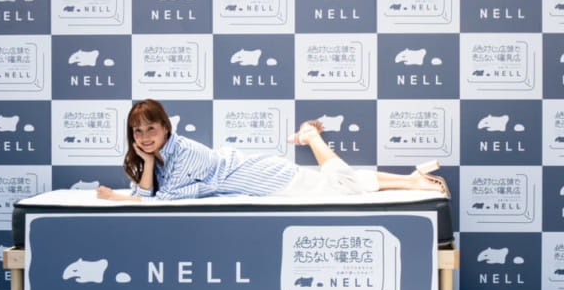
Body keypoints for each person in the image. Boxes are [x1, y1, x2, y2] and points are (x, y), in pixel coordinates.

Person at [96, 99, 449, 202]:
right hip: (255, 177)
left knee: (341, 186)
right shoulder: (157, 157)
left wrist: (117, 197)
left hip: (264, 176)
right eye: (138, 131)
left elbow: (161, 199)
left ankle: (311, 136)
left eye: (151, 129)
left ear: (166, 128)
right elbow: (148, 194)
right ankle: (412, 179)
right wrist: (145, 162)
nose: (144, 137)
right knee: (341, 182)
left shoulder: (185, 151)